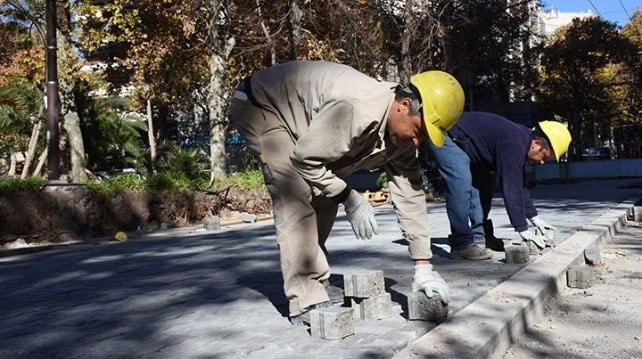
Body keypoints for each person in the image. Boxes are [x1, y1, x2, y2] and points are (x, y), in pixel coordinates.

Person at [229, 60, 465, 326]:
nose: (416, 141)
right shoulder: (358, 110)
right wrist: (349, 197)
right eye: (419, 131)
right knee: (296, 191)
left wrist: (423, 267)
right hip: (261, 106)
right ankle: (305, 297)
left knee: (325, 192)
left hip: (302, 127)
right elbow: (305, 161)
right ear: (404, 105)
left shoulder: (403, 138)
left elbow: (410, 193)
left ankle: (314, 280)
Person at [426, 111, 572, 257]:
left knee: (483, 189)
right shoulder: (514, 144)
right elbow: (511, 188)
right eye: (544, 157)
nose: (541, 162)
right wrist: (522, 228)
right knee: (460, 185)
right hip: (447, 135)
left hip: (469, 146)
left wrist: (535, 218)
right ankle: (461, 244)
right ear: (537, 144)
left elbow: (519, 185)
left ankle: (480, 238)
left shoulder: (521, 141)